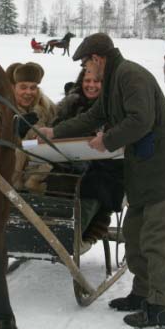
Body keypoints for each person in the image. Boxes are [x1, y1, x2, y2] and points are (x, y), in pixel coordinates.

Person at [38, 33, 165, 329]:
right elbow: (92, 117)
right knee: (135, 234)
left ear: (97, 59)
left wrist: (106, 141)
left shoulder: (130, 76)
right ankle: (141, 294)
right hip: (143, 174)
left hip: (163, 173)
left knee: (158, 241)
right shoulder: (114, 81)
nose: (86, 71)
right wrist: (54, 132)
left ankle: (160, 308)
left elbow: (140, 120)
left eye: (86, 64)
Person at [53, 67, 124, 245]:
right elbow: (56, 130)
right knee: (47, 177)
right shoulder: (69, 106)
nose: (90, 85)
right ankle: (45, 226)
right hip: (69, 161)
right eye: (87, 81)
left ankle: (74, 232)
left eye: (96, 81)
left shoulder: (116, 107)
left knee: (93, 185)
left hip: (107, 166)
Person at [7, 62, 57, 192]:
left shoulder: (47, 109)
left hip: (41, 174)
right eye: (23, 87)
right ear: (13, 88)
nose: (28, 92)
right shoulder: (3, 110)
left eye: (33, 87)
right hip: (10, 179)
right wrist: (16, 132)